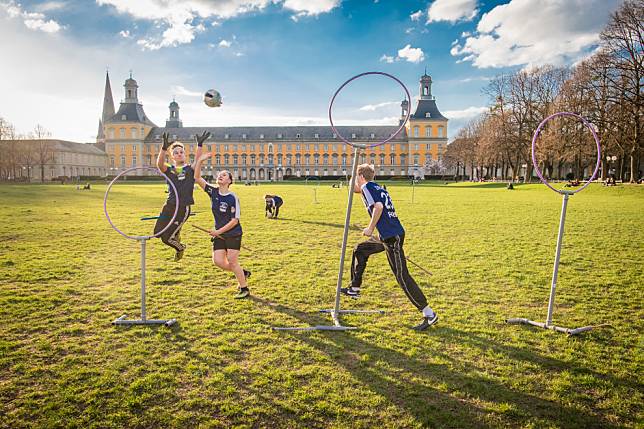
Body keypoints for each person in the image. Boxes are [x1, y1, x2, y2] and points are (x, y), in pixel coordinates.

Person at [341, 164, 438, 331]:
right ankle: (354, 288)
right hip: (387, 236)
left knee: (402, 276)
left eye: (357, 177)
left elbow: (378, 207)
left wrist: (370, 228)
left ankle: (429, 314)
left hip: (392, 238)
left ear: (361, 177)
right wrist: (354, 171)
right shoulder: (375, 186)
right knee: (360, 249)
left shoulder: (367, 187)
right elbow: (354, 190)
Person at [195, 153, 251, 299]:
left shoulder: (233, 197)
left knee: (232, 261)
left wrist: (217, 231)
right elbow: (197, 178)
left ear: (230, 181)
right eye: (220, 174)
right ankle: (242, 273)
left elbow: (235, 221)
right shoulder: (213, 192)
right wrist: (200, 161)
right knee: (218, 261)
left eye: (225, 175)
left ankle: (244, 288)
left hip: (233, 233)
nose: (221, 175)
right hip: (219, 233)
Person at [155, 130, 210, 261]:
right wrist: (163, 148)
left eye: (181, 152)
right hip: (168, 206)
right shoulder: (170, 170)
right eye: (176, 152)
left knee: (166, 238)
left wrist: (200, 145)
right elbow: (159, 164)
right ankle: (177, 233)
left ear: (185, 154)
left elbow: (197, 161)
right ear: (172, 156)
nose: (179, 154)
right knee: (157, 233)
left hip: (182, 208)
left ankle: (180, 247)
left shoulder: (190, 170)